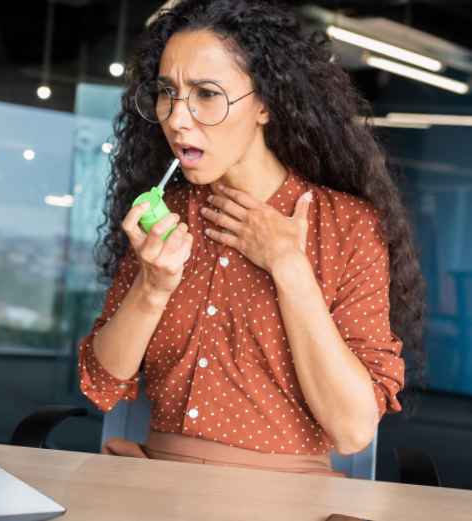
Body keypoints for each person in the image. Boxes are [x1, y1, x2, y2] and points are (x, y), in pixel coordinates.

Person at [77, 0, 424, 477]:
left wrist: (290, 268)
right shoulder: (164, 216)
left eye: (205, 94)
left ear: (264, 103)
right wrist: (152, 287)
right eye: (167, 93)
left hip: (289, 498)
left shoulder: (346, 226)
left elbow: (352, 431)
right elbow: (102, 384)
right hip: (152, 487)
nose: (177, 119)